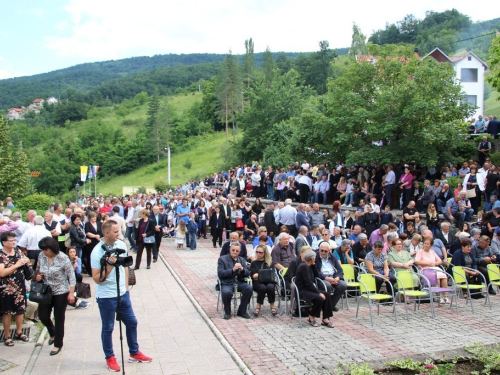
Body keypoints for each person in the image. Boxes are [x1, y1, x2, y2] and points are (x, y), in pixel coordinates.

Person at [91, 220, 152, 372]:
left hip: (122, 293)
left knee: (132, 322)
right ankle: (110, 357)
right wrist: (110, 266)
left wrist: (125, 288)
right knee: (108, 327)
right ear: (106, 233)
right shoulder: (97, 251)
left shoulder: (121, 245)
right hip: (106, 296)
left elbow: (125, 267)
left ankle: (134, 352)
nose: (119, 234)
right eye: (116, 232)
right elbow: (96, 279)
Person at [36, 236, 76, 355]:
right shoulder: (41, 256)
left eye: (46, 250)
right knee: (43, 315)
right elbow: (38, 269)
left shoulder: (63, 258)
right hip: (46, 289)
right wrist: (37, 276)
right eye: (43, 250)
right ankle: (52, 331)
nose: (44, 252)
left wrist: (71, 293)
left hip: (60, 291)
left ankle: (58, 344)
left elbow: (71, 276)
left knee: (59, 318)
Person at [0, 231, 31, 347]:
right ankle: (7, 335)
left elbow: (26, 259)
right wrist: (17, 265)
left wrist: (25, 260)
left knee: (20, 310)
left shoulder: (17, 250)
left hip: (19, 285)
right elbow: (2, 273)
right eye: (11, 241)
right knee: (7, 311)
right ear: (4, 242)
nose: (14, 242)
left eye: (14, 240)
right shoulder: (1, 255)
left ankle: (19, 331)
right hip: (6, 287)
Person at [295, 250, 334, 328]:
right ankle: (311, 316)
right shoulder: (303, 266)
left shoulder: (309, 265)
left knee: (327, 294)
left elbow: (317, 275)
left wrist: (314, 265)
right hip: (303, 291)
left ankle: (325, 318)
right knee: (319, 298)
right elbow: (308, 283)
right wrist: (319, 293)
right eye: (314, 258)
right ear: (312, 259)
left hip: (310, 289)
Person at [217, 243, 252, 319]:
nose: (235, 252)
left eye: (237, 251)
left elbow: (247, 273)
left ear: (239, 252)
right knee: (226, 292)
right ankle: (227, 311)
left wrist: (242, 269)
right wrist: (232, 270)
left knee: (248, 288)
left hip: (239, 282)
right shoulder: (222, 259)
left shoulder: (242, 260)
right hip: (227, 282)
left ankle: (241, 311)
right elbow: (220, 273)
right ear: (230, 250)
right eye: (233, 250)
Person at [415, 237, 449, 303]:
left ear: (431, 245)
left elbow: (440, 261)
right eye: (425, 243)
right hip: (425, 269)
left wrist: (435, 263)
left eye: (428, 244)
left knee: (443, 276)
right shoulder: (420, 252)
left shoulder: (432, 252)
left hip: (434, 268)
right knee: (436, 276)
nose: (426, 245)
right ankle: (438, 297)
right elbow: (416, 261)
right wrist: (427, 263)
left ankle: (445, 296)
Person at [316, 242, 348, 312]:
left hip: (333, 276)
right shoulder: (315, 257)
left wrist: (337, 277)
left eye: (325, 251)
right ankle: (326, 305)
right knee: (327, 285)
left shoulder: (332, 256)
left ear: (329, 251)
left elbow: (339, 269)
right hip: (322, 278)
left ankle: (331, 305)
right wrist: (326, 278)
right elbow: (315, 271)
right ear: (319, 249)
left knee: (343, 285)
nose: (323, 252)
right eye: (321, 250)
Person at [250, 245, 277, 317]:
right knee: (262, 288)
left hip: (269, 281)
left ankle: (272, 307)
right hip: (257, 282)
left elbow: (272, 274)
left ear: (265, 253)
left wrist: (259, 274)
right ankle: (258, 307)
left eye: (260, 252)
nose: (258, 254)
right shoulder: (254, 263)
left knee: (270, 287)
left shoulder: (270, 263)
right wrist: (265, 273)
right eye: (257, 252)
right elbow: (254, 276)